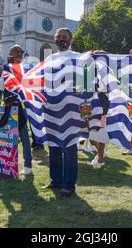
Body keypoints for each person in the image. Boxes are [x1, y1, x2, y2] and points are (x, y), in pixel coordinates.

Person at [41, 28, 80, 198]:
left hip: (70, 110)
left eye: (65, 37)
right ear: (54, 39)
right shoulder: (49, 58)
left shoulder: (78, 57)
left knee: (69, 148)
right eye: (59, 37)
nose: (62, 39)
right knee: (54, 147)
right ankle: (55, 180)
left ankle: (69, 184)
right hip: (51, 109)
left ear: (71, 39)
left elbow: (84, 79)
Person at [0, 45, 33, 175]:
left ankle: (28, 166)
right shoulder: (7, 68)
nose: (19, 53)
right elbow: (0, 86)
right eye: (16, 51)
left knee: (24, 137)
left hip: (21, 108)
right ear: (10, 53)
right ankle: (7, 163)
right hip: (8, 107)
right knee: (8, 136)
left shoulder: (25, 69)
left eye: (21, 52)